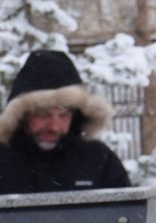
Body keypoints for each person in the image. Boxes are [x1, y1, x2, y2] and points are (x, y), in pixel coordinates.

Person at [0, 49, 131, 193]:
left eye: (64, 115)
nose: (54, 127)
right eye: (43, 114)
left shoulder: (98, 159)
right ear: (22, 114)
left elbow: (127, 206)